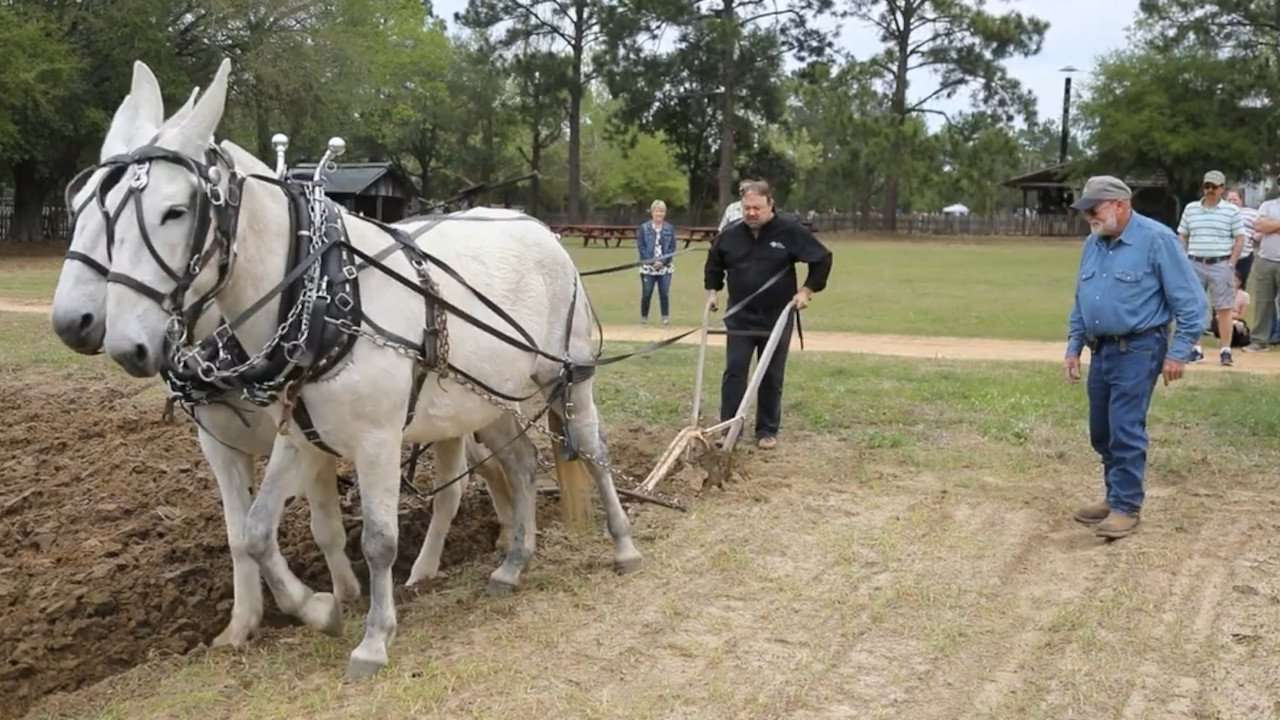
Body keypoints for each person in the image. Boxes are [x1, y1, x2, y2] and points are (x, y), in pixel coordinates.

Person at [1065, 175, 1205, 540]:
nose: (1088, 217)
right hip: (1101, 349)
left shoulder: (1158, 240)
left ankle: (1126, 507)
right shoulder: (1093, 243)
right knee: (1101, 430)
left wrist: (1178, 352)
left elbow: (1191, 302)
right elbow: (1083, 298)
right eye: (1085, 211)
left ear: (1120, 205)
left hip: (1140, 348)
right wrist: (1073, 345)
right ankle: (1114, 496)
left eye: (1094, 209)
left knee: (1125, 428)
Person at [704, 180, 833, 450]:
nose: (751, 213)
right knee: (735, 371)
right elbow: (714, 262)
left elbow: (822, 258)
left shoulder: (789, 230)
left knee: (770, 374)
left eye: (757, 208)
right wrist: (713, 292)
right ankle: (729, 428)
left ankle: (766, 430)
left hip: (777, 316)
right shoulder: (730, 234)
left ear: (770, 205)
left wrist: (806, 291)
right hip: (740, 317)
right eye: (747, 208)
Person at [1177, 170, 1246, 366]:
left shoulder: (1231, 211)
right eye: (1207, 186)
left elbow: (1240, 238)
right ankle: (1195, 349)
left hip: (1220, 262)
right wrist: (1183, 258)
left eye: (1214, 187)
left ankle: (1225, 350)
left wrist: (1231, 263)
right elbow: (1182, 234)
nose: (1210, 190)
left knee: (1224, 308)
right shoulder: (1191, 208)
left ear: (1222, 188)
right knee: (1194, 307)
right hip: (1194, 262)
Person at [1244, 182, 1280, 352]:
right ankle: (1259, 341)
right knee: (1263, 303)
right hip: (1266, 260)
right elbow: (1258, 226)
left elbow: (1265, 227)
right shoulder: (1268, 205)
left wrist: (1271, 226)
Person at [636, 199, 676, 325]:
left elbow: (672, 248)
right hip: (648, 267)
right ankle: (644, 317)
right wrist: (651, 261)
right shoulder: (644, 228)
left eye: (662, 211)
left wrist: (663, 262)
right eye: (657, 211)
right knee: (647, 293)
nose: (659, 214)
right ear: (652, 212)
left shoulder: (669, 228)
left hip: (665, 267)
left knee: (664, 293)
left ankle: (665, 317)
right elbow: (641, 247)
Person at [1226, 189, 1258, 289]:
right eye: (1229, 200)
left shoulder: (1252, 213)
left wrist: (1256, 236)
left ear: (1241, 200)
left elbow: (1261, 227)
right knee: (1224, 285)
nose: (1232, 202)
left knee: (1240, 286)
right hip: (1225, 256)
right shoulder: (1221, 213)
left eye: (1235, 199)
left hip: (1245, 256)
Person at [1209, 271, 1251, 347]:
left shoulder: (1245, 295)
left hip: (1236, 320)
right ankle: (1223, 339)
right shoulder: (1221, 294)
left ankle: (1232, 340)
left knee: (1240, 327)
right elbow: (1218, 313)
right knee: (1218, 321)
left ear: (1240, 282)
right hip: (1221, 318)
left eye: (1235, 281)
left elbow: (1241, 316)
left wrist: (1230, 316)